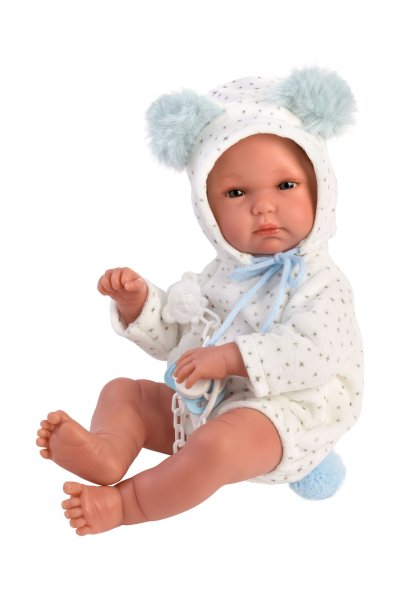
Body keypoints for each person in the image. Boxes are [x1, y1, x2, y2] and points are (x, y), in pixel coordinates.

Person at [36, 67, 363, 535]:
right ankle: (107, 452)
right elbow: (181, 342)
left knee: (218, 446)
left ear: (320, 187)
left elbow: (314, 353)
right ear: (207, 209)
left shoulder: (322, 283)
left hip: (288, 417)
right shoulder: (217, 276)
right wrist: (139, 304)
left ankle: (125, 504)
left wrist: (229, 358)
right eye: (236, 192)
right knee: (124, 392)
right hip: (206, 406)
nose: (263, 206)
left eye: (285, 185)